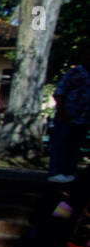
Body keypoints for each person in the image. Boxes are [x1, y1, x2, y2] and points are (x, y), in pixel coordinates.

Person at [47, 49, 89, 183]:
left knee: (75, 146)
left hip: (84, 117)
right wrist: (60, 111)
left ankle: (69, 172)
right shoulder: (75, 72)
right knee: (61, 143)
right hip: (67, 114)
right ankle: (55, 172)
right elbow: (60, 92)